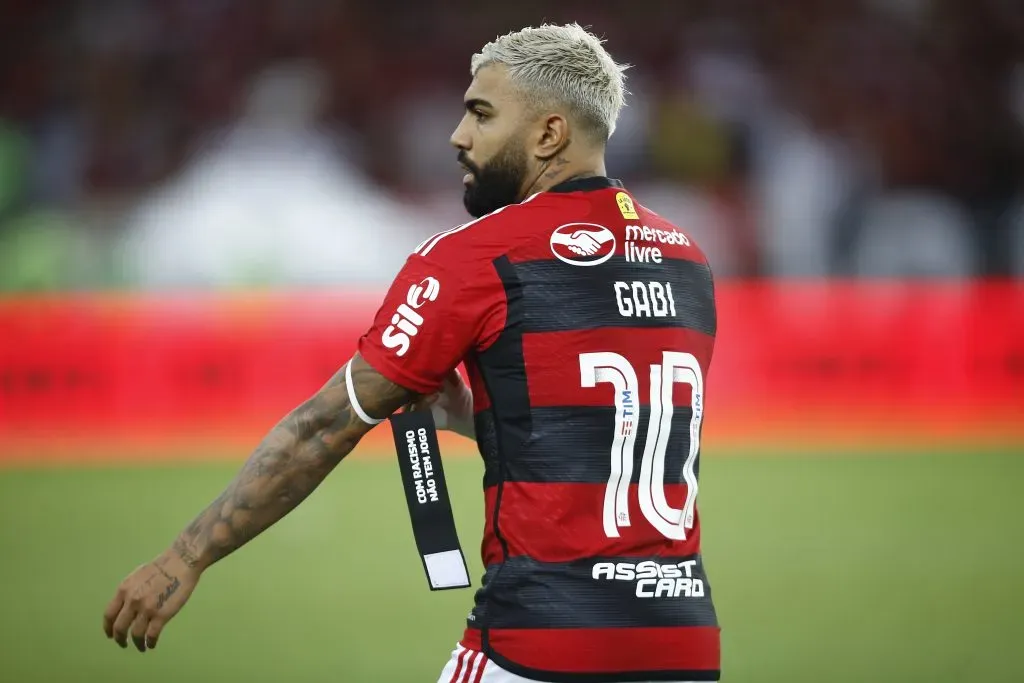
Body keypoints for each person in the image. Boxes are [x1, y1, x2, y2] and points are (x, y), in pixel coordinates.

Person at [102, 23, 721, 683]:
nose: (458, 136)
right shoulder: (686, 257)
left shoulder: (477, 257)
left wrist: (184, 556)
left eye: (481, 114)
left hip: (538, 646)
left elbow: (323, 427)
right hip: (681, 647)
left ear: (548, 134)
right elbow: (597, 445)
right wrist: (470, 420)